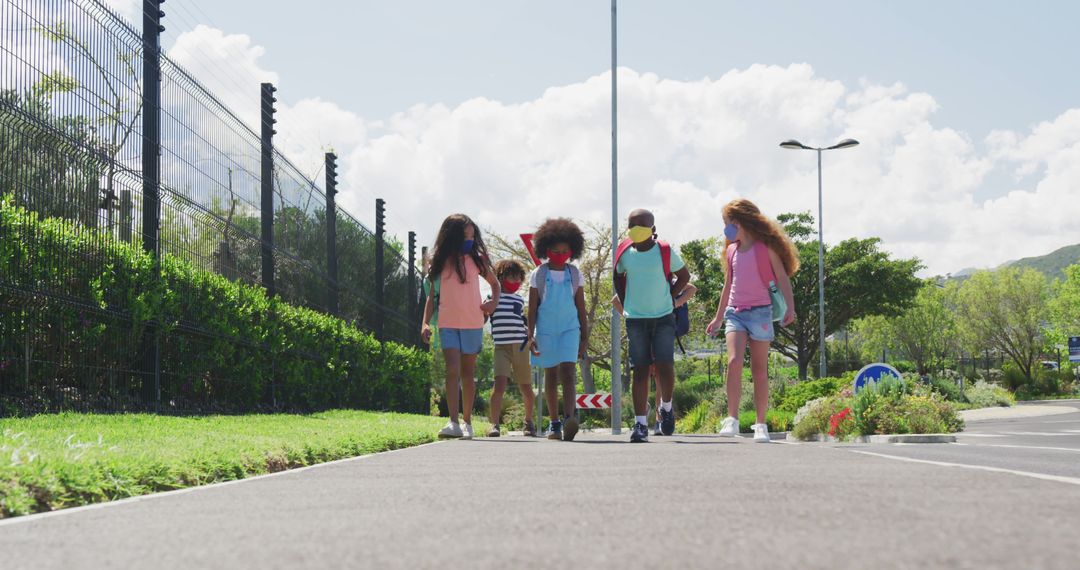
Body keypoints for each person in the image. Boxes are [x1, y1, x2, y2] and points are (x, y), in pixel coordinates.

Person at [706, 199, 798, 443]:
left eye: (726, 223)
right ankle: (732, 419)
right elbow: (728, 285)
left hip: (761, 313)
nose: (725, 228)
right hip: (735, 312)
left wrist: (791, 307)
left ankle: (760, 424)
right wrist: (717, 318)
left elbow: (782, 277)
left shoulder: (764, 248)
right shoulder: (731, 250)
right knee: (734, 361)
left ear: (739, 222)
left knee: (759, 370)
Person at [614, 209, 691, 443]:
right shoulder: (625, 254)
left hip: (664, 317)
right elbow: (617, 277)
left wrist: (670, 295)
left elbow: (684, 276)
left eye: (641, 224)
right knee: (640, 371)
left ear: (653, 229)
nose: (635, 228)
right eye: (631, 224)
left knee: (665, 366)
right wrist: (626, 300)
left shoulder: (665, 251)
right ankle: (639, 425)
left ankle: (665, 408)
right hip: (636, 320)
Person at [421, 214, 500, 440]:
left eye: (472, 236)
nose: (469, 240)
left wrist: (493, 302)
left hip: (473, 323)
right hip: (447, 323)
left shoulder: (478, 260)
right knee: (452, 370)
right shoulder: (439, 260)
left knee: (467, 373)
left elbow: (495, 285)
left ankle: (467, 422)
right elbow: (431, 297)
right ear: (452, 236)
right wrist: (425, 323)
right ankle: (452, 421)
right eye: (465, 236)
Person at [527, 218, 588, 442]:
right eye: (555, 250)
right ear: (546, 250)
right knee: (551, 375)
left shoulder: (575, 274)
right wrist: (530, 334)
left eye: (565, 250)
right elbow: (532, 309)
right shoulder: (539, 274)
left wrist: (584, 337)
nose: (560, 254)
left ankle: (569, 418)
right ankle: (554, 423)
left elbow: (581, 308)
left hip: (570, 329)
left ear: (572, 251)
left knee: (569, 373)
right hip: (545, 330)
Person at [613, 281, 698, 436]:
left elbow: (692, 288)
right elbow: (615, 300)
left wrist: (676, 302)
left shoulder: (666, 280)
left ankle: (660, 416)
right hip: (644, 329)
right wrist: (629, 314)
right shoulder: (638, 280)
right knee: (645, 371)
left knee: (659, 372)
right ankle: (645, 413)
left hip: (661, 329)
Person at [487, 259, 537, 437]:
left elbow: (522, 321)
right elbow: (485, 316)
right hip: (501, 347)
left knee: (526, 387)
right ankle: (494, 424)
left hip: (521, 346)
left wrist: (531, 339)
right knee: (499, 386)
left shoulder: (519, 298)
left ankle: (528, 421)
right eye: (511, 278)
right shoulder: (493, 297)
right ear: (500, 277)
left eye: (518, 279)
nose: (515, 282)